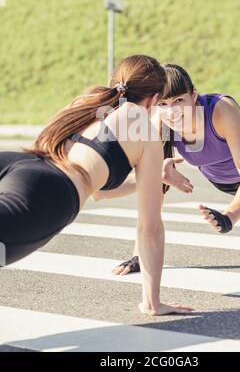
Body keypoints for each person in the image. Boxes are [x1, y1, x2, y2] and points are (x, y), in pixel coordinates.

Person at [0, 55, 194, 316]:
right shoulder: (143, 128)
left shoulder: (87, 101)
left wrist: (154, 177)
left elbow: (100, 193)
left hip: (18, 163)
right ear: (153, 99)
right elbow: (150, 229)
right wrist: (152, 303)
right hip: (50, 191)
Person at [110, 64, 240, 275]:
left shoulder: (221, 110)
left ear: (194, 95)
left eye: (179, 101)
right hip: (225, 178)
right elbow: (153, 193)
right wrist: (140, 254)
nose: (171, 111)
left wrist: (230, 216)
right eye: (162, 103)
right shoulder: (159, 124)